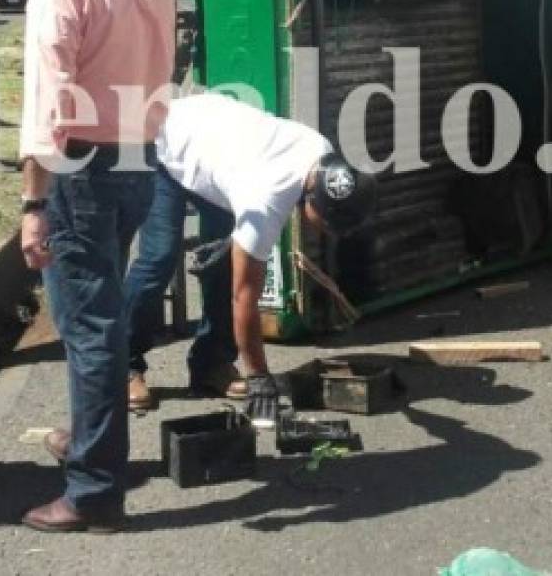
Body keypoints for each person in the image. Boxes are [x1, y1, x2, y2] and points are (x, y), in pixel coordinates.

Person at [18, 0, 174, 534]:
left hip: (81, 168)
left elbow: (50, 102)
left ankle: (93, 492)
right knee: (100, 318)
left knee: (89, 329)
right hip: (139, 161)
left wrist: (31, 203)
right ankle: (87, 444)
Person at [122, 92, 377, 424]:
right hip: (163, 146)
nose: (329, 233)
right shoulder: (267, 199)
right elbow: (245, 298)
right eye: (330, 225)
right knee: (160, 257)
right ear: (314, 199)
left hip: (216, 157)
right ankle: (122, 365)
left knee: (226, 265)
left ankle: (211, 363)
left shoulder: (323, 156)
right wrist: (259, 377)